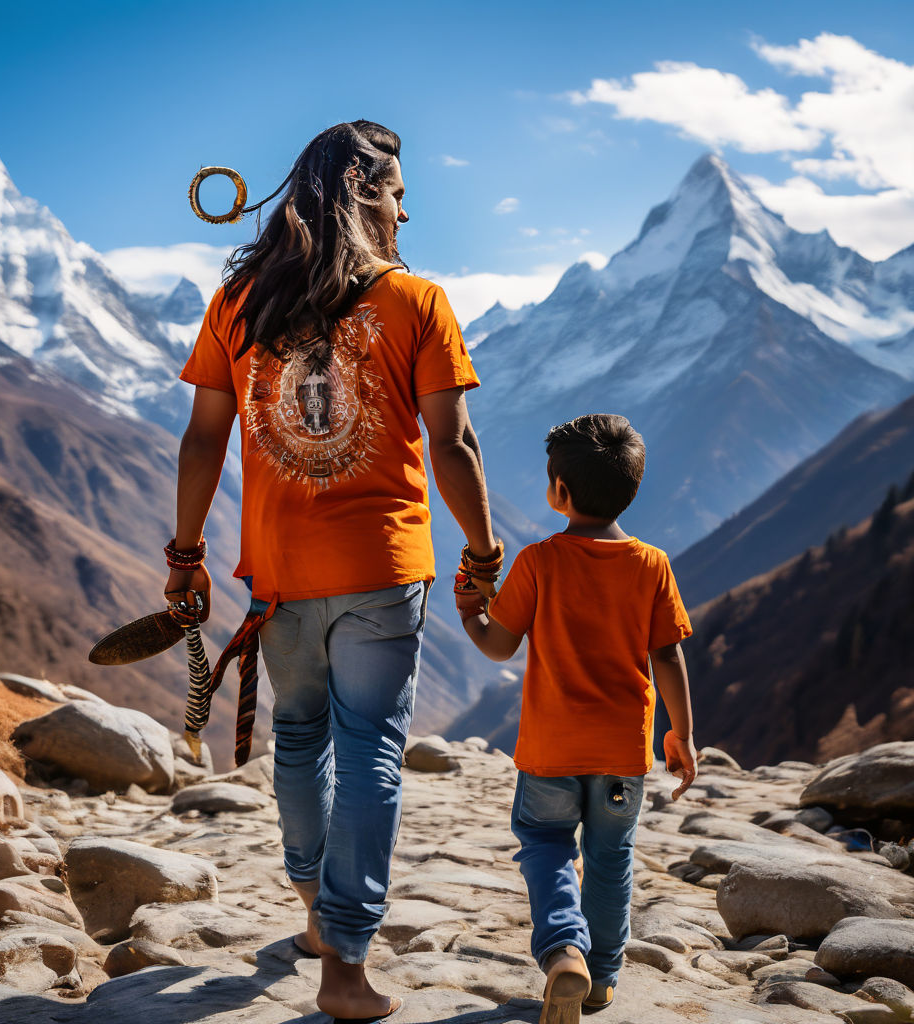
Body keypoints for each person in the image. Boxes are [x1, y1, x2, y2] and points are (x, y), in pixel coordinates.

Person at [165, 120, 499, 1023]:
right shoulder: (417, 303)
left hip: (277, 577)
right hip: (383, 573)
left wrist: (186, 553)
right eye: (396, 194)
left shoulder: (238, 301)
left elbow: (204, 437)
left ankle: (315, 910)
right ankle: (346, 959)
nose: (404, 212)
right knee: (370, 754)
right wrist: (482, 549)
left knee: (301, 742)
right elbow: (453, 444)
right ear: (363, 190)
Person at [457, 414, 697, 1024]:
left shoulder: (540, 561)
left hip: (551, 750)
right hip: (622, 753)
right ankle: (603, 980)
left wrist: (470, 608)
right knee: (612, 858)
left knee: (545, 844)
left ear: (558, 492)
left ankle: (565, 948)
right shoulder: (652, 565)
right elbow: (667, 653)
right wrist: (681, 734)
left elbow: (499, 644)